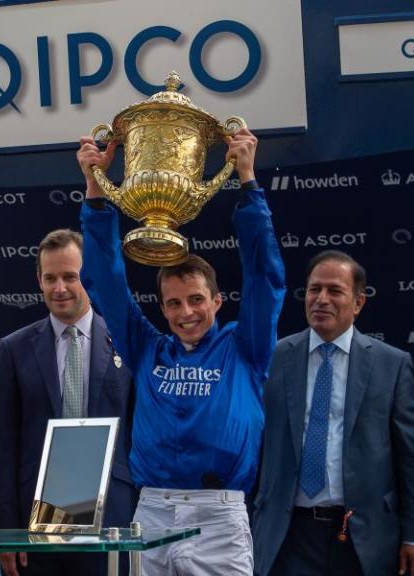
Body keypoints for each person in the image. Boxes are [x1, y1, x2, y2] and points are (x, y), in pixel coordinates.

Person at [76, 127, 285, 575]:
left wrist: (247, 181)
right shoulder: (147, 348)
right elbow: (106, 285)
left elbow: (265, 277)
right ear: (162, 307)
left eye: (195, 300)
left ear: (216, 301)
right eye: (173, 303)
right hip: (151, 511)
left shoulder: (244, 347)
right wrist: (95, 188)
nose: (185, 312)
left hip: (220, 516)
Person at [252, 250, 414, 576]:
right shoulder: (273, 359)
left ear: (358, 302)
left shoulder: (392, 364)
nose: (321, 299)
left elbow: (411, 460)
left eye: (334, 291)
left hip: (364, 538)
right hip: (288, 535)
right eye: (314, 289)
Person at [0, 228, 136, 576]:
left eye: (70, 277)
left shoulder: (128, 343)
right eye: (50, 277)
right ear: (39, 280)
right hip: (36, 519)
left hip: (112, 514)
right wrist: (5, 532)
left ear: (89, 277)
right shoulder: (14, 349)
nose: (60, 288)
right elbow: (4, 446)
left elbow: (140, 436)